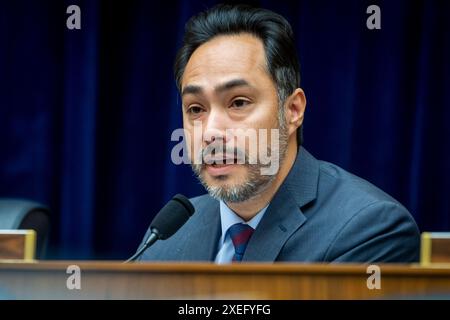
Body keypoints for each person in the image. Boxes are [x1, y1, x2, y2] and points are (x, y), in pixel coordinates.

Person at [138, 4, 420, 263]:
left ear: (293, 109)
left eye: (238, 103)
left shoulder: (369, 228)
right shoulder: (166, 237)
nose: (211, 131)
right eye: (196, 109)